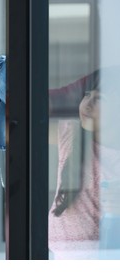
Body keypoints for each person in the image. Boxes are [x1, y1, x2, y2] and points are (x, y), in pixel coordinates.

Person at [48, 67, 120, 259]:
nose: (86, 104)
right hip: (60, 258)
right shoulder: (72, 133)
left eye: (99, 99)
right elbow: (19, 128)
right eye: (87, 95)